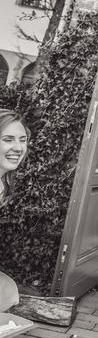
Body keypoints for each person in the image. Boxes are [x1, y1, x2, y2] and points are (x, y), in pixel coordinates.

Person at [0, 109, 29, 312]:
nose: (18, 148)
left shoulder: (3, 183)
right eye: (8, 139)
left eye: (23, 140)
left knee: (8, 290)